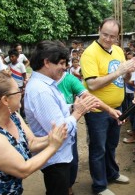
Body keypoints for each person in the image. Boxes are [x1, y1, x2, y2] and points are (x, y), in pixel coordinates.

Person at [24, 40, 100, 195]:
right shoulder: (41, 91)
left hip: (59, 155)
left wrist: (72, 108)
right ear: (46, 62)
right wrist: (78, 112)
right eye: (61, 63)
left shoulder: (46, 84)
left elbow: (56, 110)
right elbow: (60, 130)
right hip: (55, 159)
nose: (64, 68)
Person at [0, 71, 67, 195]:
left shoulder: (13, 116)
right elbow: (23, 169)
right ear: (5, 100)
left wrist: (53, 137)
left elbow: (31, 142)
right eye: (18, 90)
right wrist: (53, 146)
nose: (22, 92)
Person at [80, 17, 135, 195]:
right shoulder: (89, 53)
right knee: (98, 148)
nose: (108, 39)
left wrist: (128, 73)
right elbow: (92, 85)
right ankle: (99, 186)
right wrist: (118, 71)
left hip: (117, 107)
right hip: (97, 109)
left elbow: (123, 79)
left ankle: (112, 174)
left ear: (118, 37)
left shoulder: (119, 51)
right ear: (99, 30)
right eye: (105, 34)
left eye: (113, 36)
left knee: (112, 145)